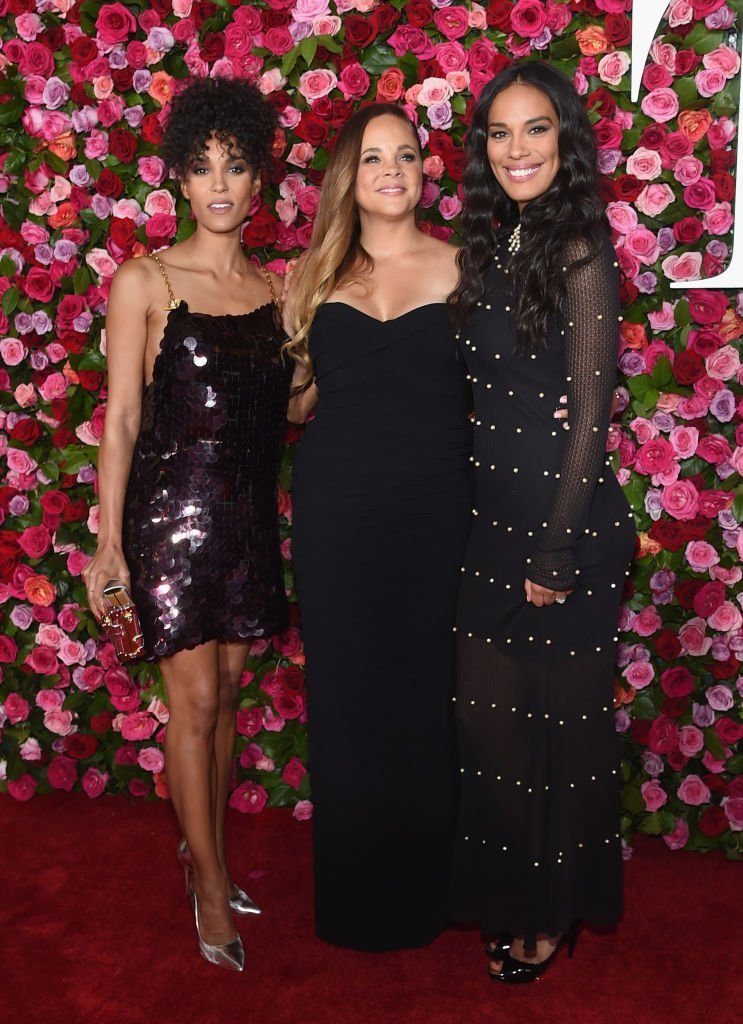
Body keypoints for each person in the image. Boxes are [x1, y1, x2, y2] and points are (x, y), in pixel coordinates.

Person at [83, 77, 291, 973]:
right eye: (201, 166)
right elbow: (122, 418)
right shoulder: (145, 278)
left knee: (231, 701)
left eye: (235, 166)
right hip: (172, 519)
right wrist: (107, 542)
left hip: (246, 524)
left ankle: (201, 851)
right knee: (196, 703)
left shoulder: (278, 290)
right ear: (177, 177)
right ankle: (207, 883)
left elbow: (292, 406)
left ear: (258, 185)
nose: (218, 182)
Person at [446, 62, 636, 983]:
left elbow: (591, 414)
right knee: (494, 729)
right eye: (499, 133)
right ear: (483, 149)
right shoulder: (498, 246)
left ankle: (551, 913)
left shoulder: (579, 249)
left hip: (564, 530)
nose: (516, 149)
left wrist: (556, 548)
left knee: (561, 738)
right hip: (492, 525)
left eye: (535, 130)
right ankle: (512, 889)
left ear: (564, 142)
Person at [283, 103, 474, 951]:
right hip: (337, 516)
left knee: (428, 698)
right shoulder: (315, 278)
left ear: (424, 172)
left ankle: (426, 895)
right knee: (348, 701)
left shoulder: (465, 267)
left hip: (437, 514)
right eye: (373, 157)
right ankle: (356, 901)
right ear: (348, 178)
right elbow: (299, 403)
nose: (392, 169)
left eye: (406, 155)